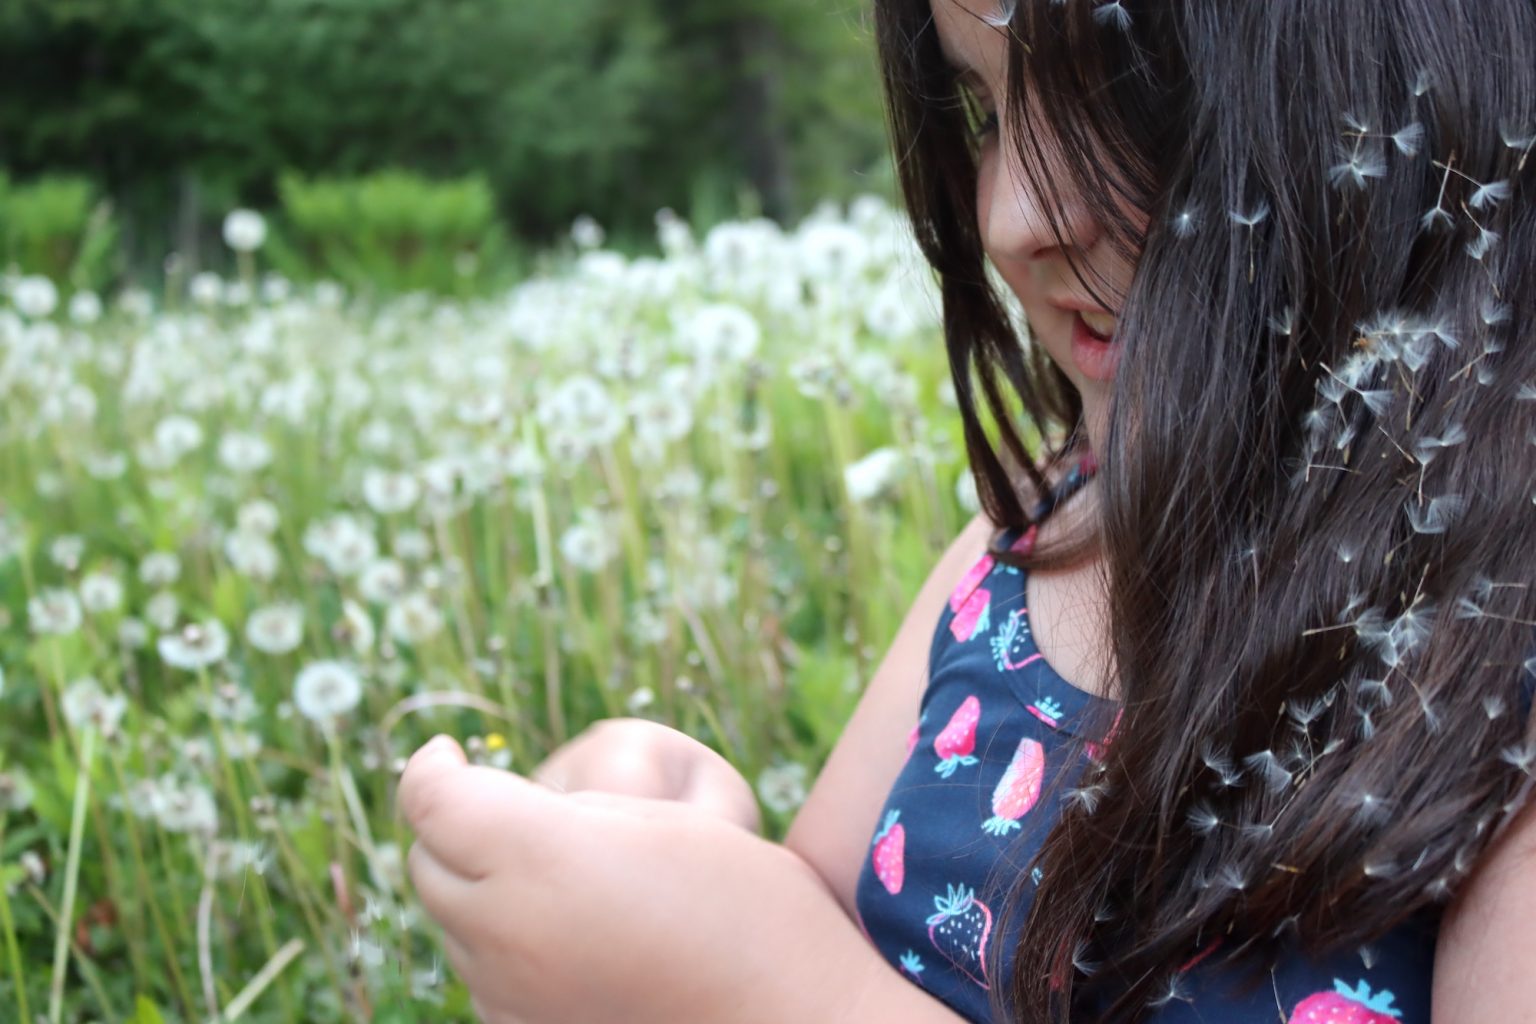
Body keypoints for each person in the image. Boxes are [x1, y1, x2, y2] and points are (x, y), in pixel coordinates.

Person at [397, 0, 1536, 1020]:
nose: (1010, 216)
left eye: (1124, 95)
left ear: (1418, 92)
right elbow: (823, 920)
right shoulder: (1036, 541)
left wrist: (783, 1000)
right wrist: (673, 850)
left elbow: (796, 980)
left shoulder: (1501, 688)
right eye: (987, 109)